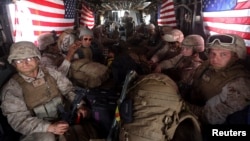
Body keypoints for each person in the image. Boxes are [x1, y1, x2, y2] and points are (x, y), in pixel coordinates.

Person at [0, 41, 99, 141]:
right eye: (18, 61)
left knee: (85, 130)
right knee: (47, 138)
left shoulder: (51, 72)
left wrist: (79, 105)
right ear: (13, 63)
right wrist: (49, 127)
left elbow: (68, 90)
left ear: (37, 59)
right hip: (37, 128)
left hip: (63, 117)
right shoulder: (12, 88)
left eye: (29, 58)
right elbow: (19, 120)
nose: (24, 63)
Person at [186, 34, 250, 125]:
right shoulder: (207, 65)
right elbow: (190, 83)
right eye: (213, 53)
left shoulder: (240, 83)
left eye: (223, 54)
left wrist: (181, 105)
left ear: (235, 56)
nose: (215, 58)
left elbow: (211, 117)